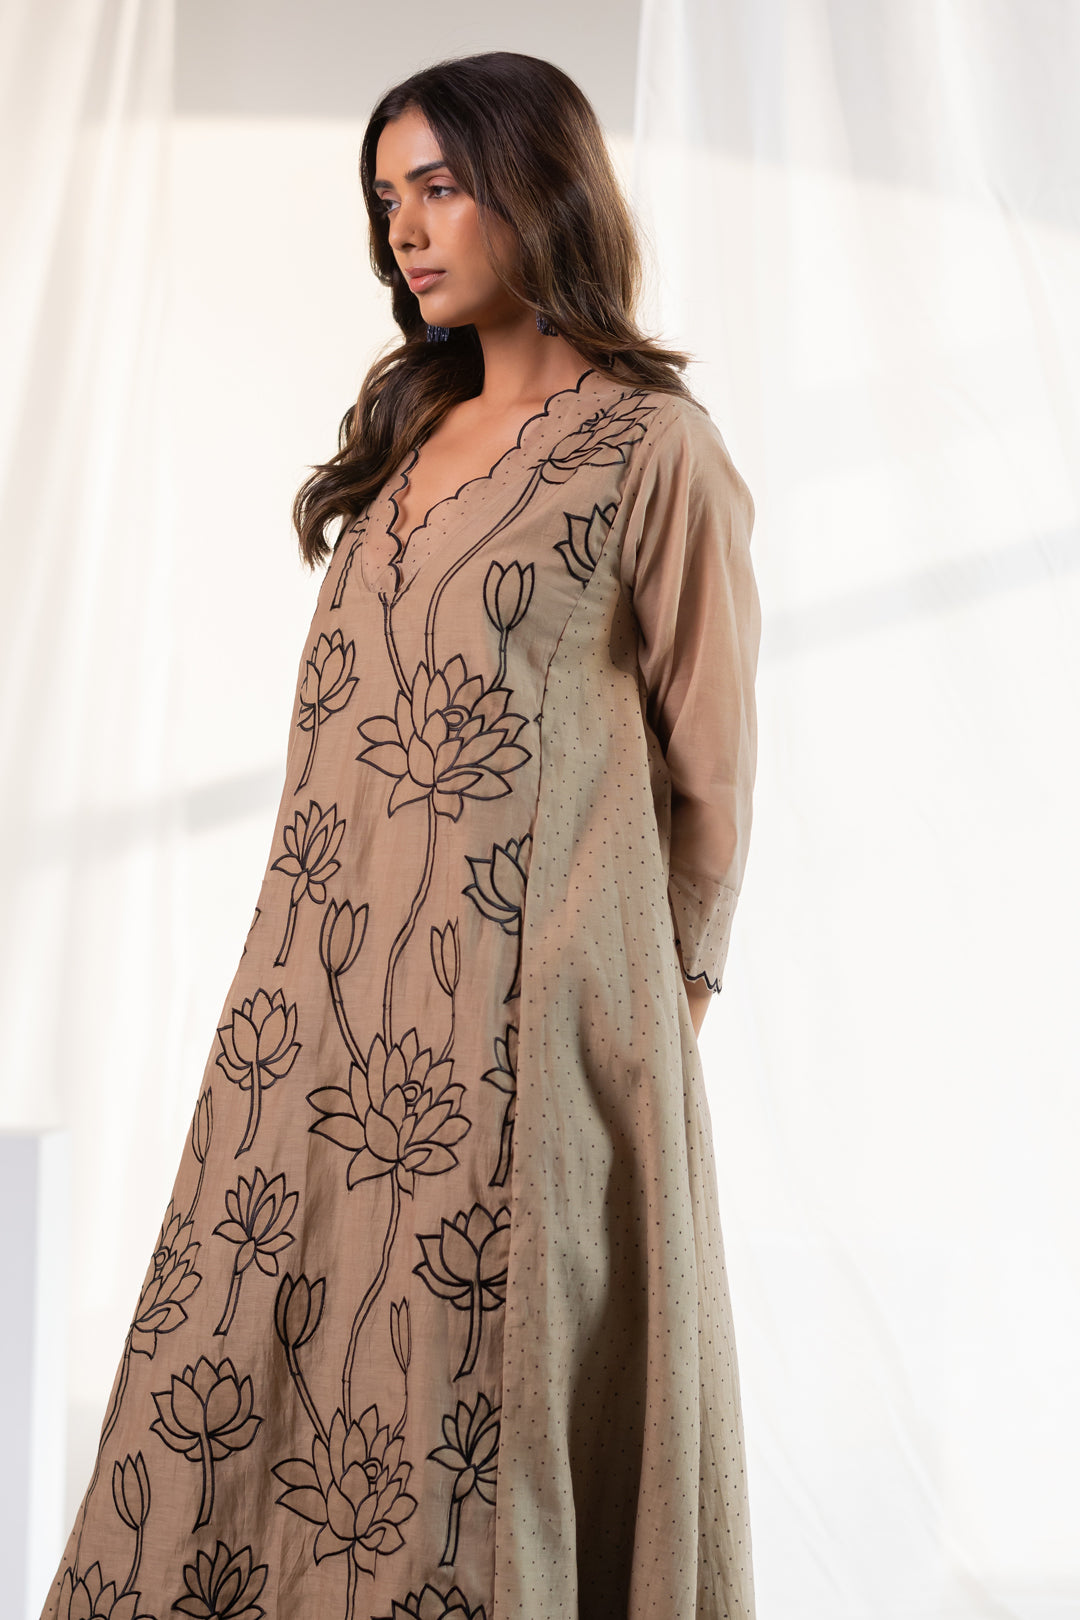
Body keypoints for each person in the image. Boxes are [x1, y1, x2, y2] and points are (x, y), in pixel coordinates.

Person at [40, 49, 761, 1620]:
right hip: (321, 1010)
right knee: (258, 1366)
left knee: (455, 1399)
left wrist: (657, 1009)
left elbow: (710, 771)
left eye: (439, 187)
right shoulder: (410, 436)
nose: (406, 231)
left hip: (529, 1021)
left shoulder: (654, 451)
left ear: (538, 186)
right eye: (388, 199)